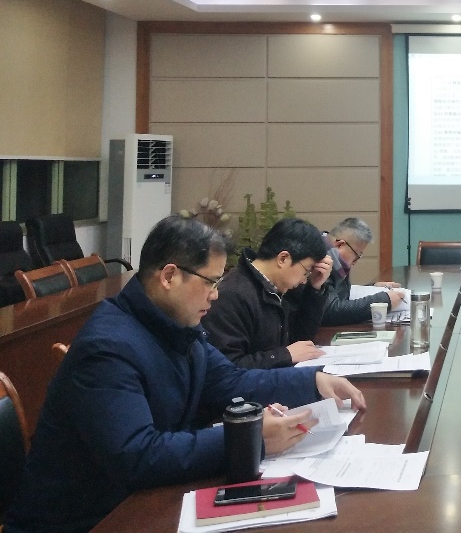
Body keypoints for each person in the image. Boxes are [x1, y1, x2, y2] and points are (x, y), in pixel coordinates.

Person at [2, 216, 365, 533]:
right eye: (210, 282)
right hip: (86, 521)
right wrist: (250, 439)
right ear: (170, 276)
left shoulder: (177, 327)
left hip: (139, 504)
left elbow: (231, 382)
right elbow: (138, 456)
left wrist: (310, 381)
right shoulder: (107, 348)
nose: (216, 295)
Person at [202, 217, 331, 368]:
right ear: (283, 259)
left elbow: (300, 339)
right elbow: (229, 368)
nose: (304, 280)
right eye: (306, 271)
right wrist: (284, 355)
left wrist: (314, 289)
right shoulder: (232, 295)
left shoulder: (276, 287)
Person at [322, 217, 405, 325]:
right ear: (340, 245)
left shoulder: (334, 256)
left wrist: (372, 288)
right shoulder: (320, 259)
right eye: (357, 255)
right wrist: (384, 300)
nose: (355, 262)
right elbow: (331, 311)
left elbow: (341, 294)